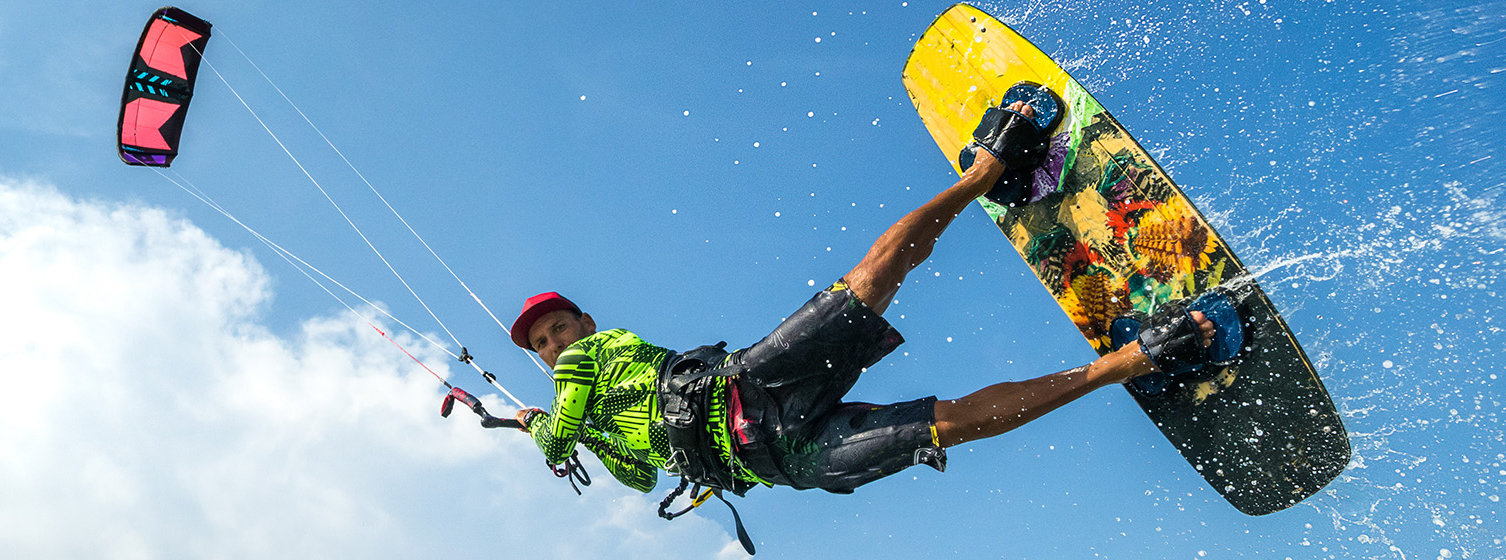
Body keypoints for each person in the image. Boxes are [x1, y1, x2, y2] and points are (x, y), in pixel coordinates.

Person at [509, 101, 1228, 497]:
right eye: (542, 343)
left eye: (558, 329)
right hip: (781, 459)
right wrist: (587, 438)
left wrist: (538, 428)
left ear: (584, 323)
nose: (553, 344)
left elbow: (562, 424)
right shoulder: (583, 401)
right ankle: (1136, 359)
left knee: (871, 278)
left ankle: (988, 172)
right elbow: (636, 478)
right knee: (946, 427)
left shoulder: (591, 356)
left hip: (748, 387)